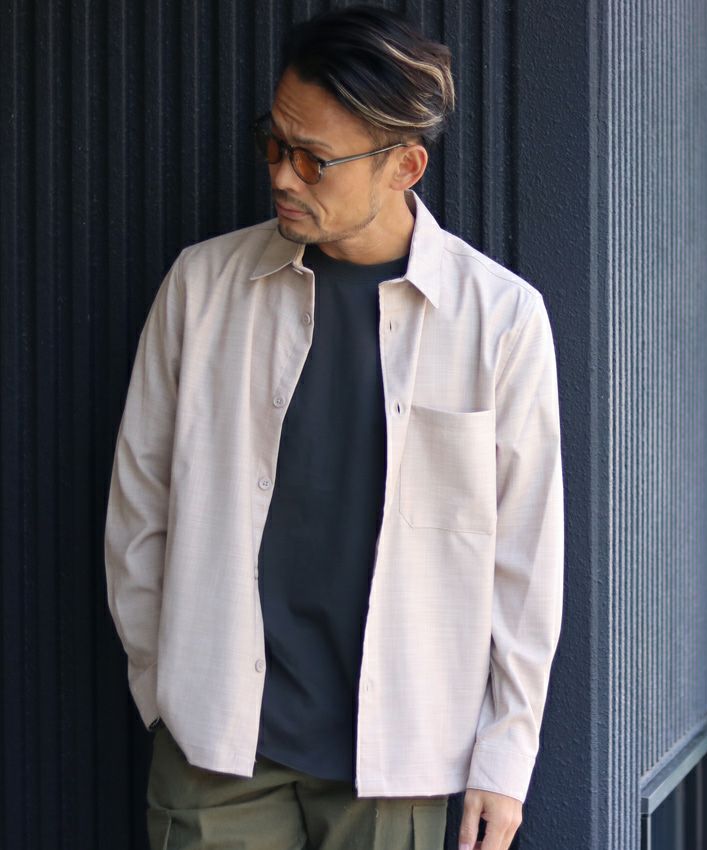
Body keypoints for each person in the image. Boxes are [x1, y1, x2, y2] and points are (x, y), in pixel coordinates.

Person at [103, 5, 564, 850]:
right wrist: (165, 687)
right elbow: (139, 507)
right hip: (216, 749)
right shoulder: (202, 289)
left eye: (314, 159)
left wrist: (506, 756)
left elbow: (525, 562)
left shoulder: (499, 320)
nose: (283, 176)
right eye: (274, 144)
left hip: (400, 760)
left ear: (404, 166)